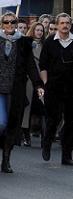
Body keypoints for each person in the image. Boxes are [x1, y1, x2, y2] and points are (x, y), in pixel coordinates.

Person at [0, 12, 45, 173]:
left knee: (12, 126)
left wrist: (38, 85)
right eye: (6, 22)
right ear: (1, 25)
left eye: (13, 22)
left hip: (15, 89)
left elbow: (31, 66)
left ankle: (6, 158)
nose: (10, 25)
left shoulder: (23, 43)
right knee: (0, 123)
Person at [39, 13, 73, 164]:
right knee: (54, 118)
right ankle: (47, 144)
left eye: (67, 23)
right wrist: (45, 84)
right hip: (53, 86)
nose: (65, 25)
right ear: (57, 25)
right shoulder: (49, 43)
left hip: (71, 87)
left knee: (71, 121)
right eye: (62, 23)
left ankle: (66, 155)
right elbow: (43, 66)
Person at [23, 22, 47, 146]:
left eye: (41, 30)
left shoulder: (46, 46)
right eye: (37, 30)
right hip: (29, 81)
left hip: (42, 81)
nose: (39, 32)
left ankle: (45, 137)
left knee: (43, 110)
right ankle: (27, 136)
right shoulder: (27, 45)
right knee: (28, 111)